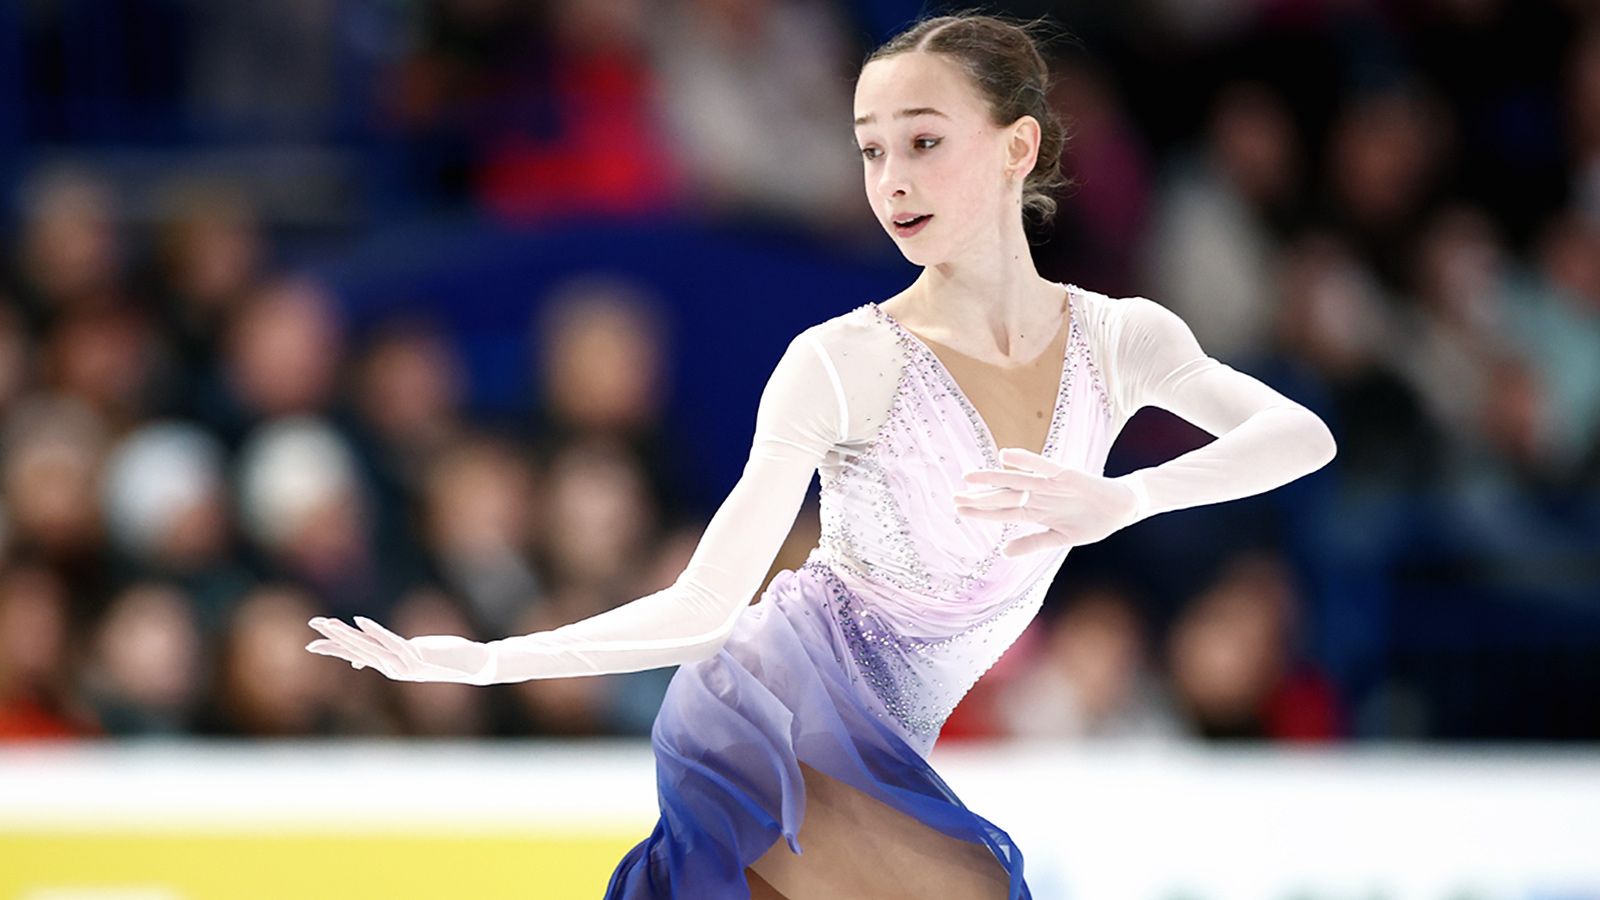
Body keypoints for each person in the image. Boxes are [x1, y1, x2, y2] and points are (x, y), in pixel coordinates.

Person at [305, 12, 1338, 899]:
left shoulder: (1120, 341)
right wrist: (487, 660)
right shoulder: (844, 360)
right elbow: (705, 605)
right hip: (766, 708)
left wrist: (1123, 498)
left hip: (880, 750)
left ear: (1017, 146)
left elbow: (1300, 436)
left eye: (923, 141)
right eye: (870, 150)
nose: (892, 180)